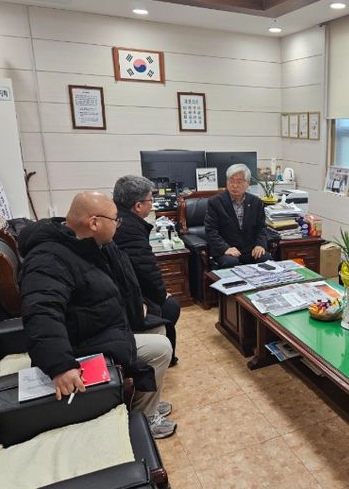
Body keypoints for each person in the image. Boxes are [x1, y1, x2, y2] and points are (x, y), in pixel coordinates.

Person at [19, 191, 177, 439]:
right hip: (82, 342)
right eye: (115, 220)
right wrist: (60, 365)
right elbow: (41, 312)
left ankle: (146, 400)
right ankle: (144, 418)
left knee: (157, 327)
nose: (118, 225)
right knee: (161, 348)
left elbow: (120, 281)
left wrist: (137, 307)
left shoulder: (90, 244)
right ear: (94, 222)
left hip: (101, 325)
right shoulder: (48, 258)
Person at [113, 175, 181, 367]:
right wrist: (161, 295)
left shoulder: (117, 217)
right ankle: (161, 356)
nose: (152, 204)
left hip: (123, 287)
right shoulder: (130, 229)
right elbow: (146, 269)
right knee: (170, 306)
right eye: (151, 199)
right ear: (138, 206)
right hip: (126, 295)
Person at [204, 163, 271, 268]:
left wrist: (260, 245)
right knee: (231, 262)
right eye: (231, 181)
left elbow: (261, 228)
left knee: (266, 259)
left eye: (239, 182)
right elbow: (211, 231)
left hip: (250, 250)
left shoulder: (256, 202)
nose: (234, 185)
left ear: (248, 184)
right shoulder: (215, 202)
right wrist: (225, 248)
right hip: (226, 250)